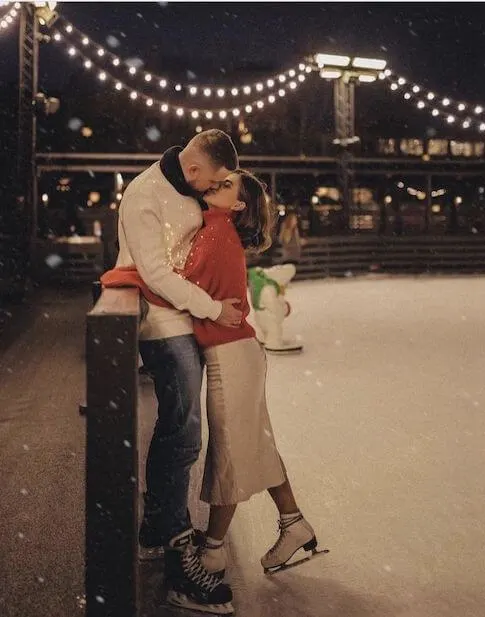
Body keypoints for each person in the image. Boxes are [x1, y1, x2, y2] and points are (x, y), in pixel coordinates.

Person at [103, 170, 322, 595]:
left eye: (224, 188)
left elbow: (176, 287)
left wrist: (125, 276)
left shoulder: (217, 235)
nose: (212, 187)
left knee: (229, 450)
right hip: (236, 351)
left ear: (237, 205)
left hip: (232, 355)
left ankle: (215, 547)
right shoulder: (213, 229)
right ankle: (293, 522)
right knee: (252, 442)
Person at [114, 130, 242, 615]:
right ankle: (173, 551)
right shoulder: (145, 194)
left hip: (191, 318)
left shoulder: (191, 189)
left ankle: (157, 529)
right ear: (193, 171)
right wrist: (212, 307)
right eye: (210, 183)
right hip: (163, 322)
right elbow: (156, 272)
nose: (211, 191)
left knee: (186, 428)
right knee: (185, 431)